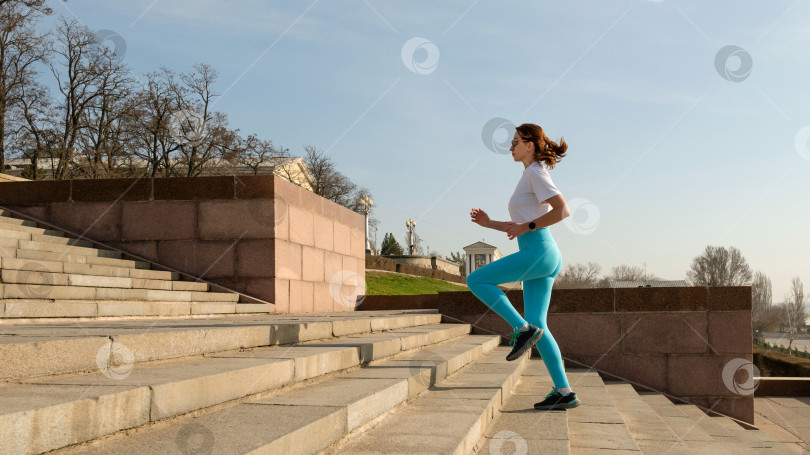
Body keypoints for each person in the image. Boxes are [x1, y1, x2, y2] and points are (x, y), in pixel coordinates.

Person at [467, 123, 580, 410]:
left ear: (529, 145)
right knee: (540, 325)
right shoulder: (529, 175)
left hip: (538, 251)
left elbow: (563, 210)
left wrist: (527, 225)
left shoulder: (535, 172)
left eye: (516, 141)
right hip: (540, 253)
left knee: (476, 280)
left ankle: (520, 328)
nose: (511, 146)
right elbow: (518, 226)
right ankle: (564, 391)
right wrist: (489, 223)